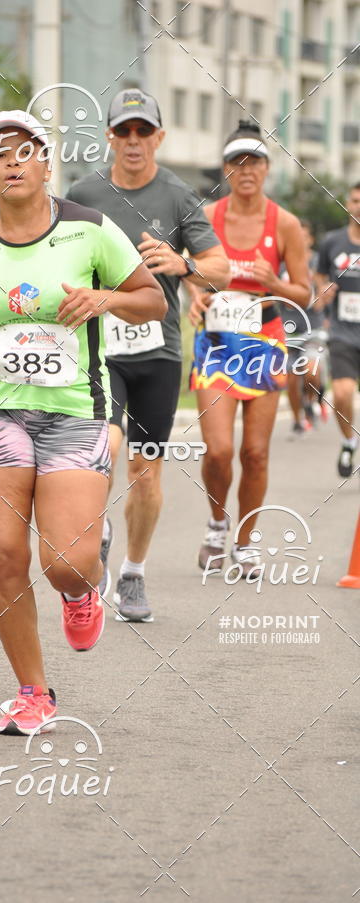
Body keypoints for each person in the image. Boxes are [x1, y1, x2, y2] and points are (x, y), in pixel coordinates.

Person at [0, 110, 167, 735]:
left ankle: (82, 590)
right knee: (2, 554)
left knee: (65, 562)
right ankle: (33, 692)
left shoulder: (89, 230)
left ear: (46, 163)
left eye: (26, 150)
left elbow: (153, 300)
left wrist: (105, 298)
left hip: (73, 412)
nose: (13, 161)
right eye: (0, 152)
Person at [66, 88, 229, 620]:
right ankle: (100, 530)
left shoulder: (179, 196)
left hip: (158, 352)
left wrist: (184, 264)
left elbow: (222, 269)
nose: (133, 141)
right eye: (123, 131)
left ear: (159, 137)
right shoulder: (83, 193)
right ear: (110, 137)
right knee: (103, 451)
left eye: (143, 131)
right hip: (99, 348)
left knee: (146, 468)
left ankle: (133, 573)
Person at [189, 120, 310, 577]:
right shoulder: (207, 217)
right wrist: (195, 295)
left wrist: (274, 282)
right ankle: (216, 525)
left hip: (264, 343)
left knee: (255, 452)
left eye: (254, 161)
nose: (245, 170)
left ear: (266, 168)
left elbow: (304, 293)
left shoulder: (286, 224)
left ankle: (245, 542)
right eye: (236, 162)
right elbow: (189, 271)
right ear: (225, 169)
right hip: (217, 343)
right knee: (219, 449)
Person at [315, 184, 360, 477]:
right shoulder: (332, 242)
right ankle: (348, 442)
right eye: (355, 200)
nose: (359, 206)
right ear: (347, 204)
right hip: (343, 332)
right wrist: (323, 290)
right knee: (342, 394)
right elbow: (319, 276)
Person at [282, 220, 328, 437]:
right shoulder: (281, 262)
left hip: (313, 328)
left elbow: (326, 289)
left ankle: (312, 399)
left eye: (305, 236)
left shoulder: (318, 261)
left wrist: (321, 297)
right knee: (291, 379)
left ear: (311, 239)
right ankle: (297, 419)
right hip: (288, 329)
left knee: (311, 371)